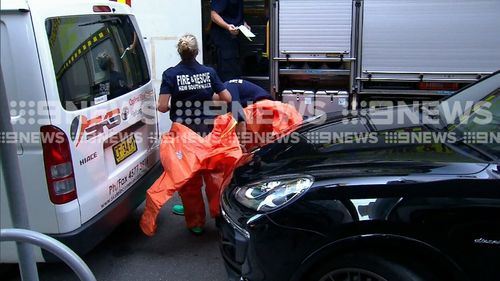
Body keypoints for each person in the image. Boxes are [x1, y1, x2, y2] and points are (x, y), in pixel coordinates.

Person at [157, 34, 232, 235]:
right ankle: (218, 216)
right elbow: (227, 98)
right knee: (213, 174)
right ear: (197, 52)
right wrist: (205, 98)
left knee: (189, 179)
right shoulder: (208, 72)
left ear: (179, 52)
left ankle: (196, 223)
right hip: (207, 130)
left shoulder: (170, 74)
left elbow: (162, 107)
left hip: (183, 133)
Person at [210, 0, 249, 81]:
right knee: (228, 74)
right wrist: (227, 26)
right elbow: (214, 15)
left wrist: (244, 24)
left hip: (235, 38)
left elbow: (234, 13)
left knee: (236, 71)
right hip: (224, 39)